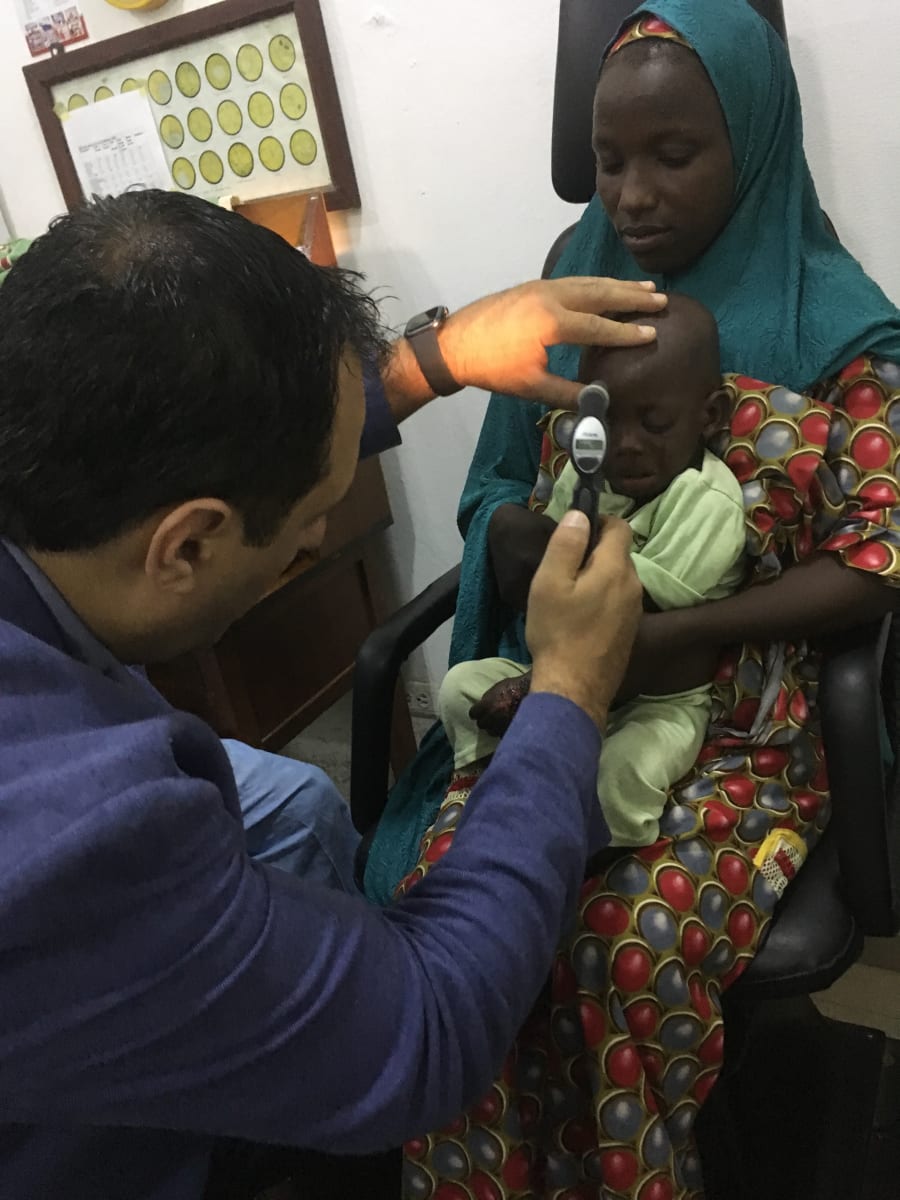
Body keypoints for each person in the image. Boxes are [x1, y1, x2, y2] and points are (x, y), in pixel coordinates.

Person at [0, 187, 670, 1200]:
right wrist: (569, 690)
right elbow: (431, 1025)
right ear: (186, 546)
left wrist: (433, 360)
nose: (320, 533)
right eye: (312, 517)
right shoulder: (79, 850)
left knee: (298, 805)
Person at [364, 2, 900, 1197]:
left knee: (621, 940)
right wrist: (519, 540)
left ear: (752, 138)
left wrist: (669, 637)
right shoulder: (567, 287)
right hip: (565, 679)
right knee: (460, 916)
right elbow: (501, 484)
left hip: (742, 722)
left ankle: (629, 1172)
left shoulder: (838, 320)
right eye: (610, 161)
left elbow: (881, 552)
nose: (636, 195)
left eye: (674, 154)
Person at [423, 295, 745, 861]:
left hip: (655, 701)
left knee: (622, 772)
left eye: (654, 423)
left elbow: (629, 610)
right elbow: (550, 571)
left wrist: (534, 687)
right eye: (606, 421)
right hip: (559, 674)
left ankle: (595, 856)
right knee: (458, 690)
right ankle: (492, 782)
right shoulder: (585, 474)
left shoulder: (707, 500)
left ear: (711, 415)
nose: (626, 444)